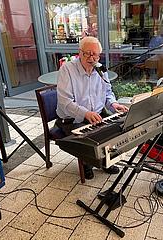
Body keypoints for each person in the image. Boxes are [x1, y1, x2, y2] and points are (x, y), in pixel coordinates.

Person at [56, 36, 128, 180]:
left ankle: (107, 160)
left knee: (117, 127)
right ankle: (87, 164)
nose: (91, 58)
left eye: (95, 54)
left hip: (97, 113)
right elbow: (65, 102)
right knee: (88, 137)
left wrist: (113, 104)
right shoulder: (67, 69)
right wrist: (86, 113)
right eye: (87, 53)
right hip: (72, 117)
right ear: (79, 52)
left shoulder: (101, 69)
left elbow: (108, 93)